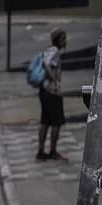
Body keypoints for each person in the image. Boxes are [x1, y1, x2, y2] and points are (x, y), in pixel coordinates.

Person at [36, 29, 67, 161]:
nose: (66, 41)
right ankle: (53, 151)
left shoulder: (49, 50)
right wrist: (55, 81)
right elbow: (47, 64)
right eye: (63, 38)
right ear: (58, 40)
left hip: (44, 91)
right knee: (56, 122)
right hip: (51, 92)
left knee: (45, 121)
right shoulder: (54, 51)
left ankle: (41, 151)